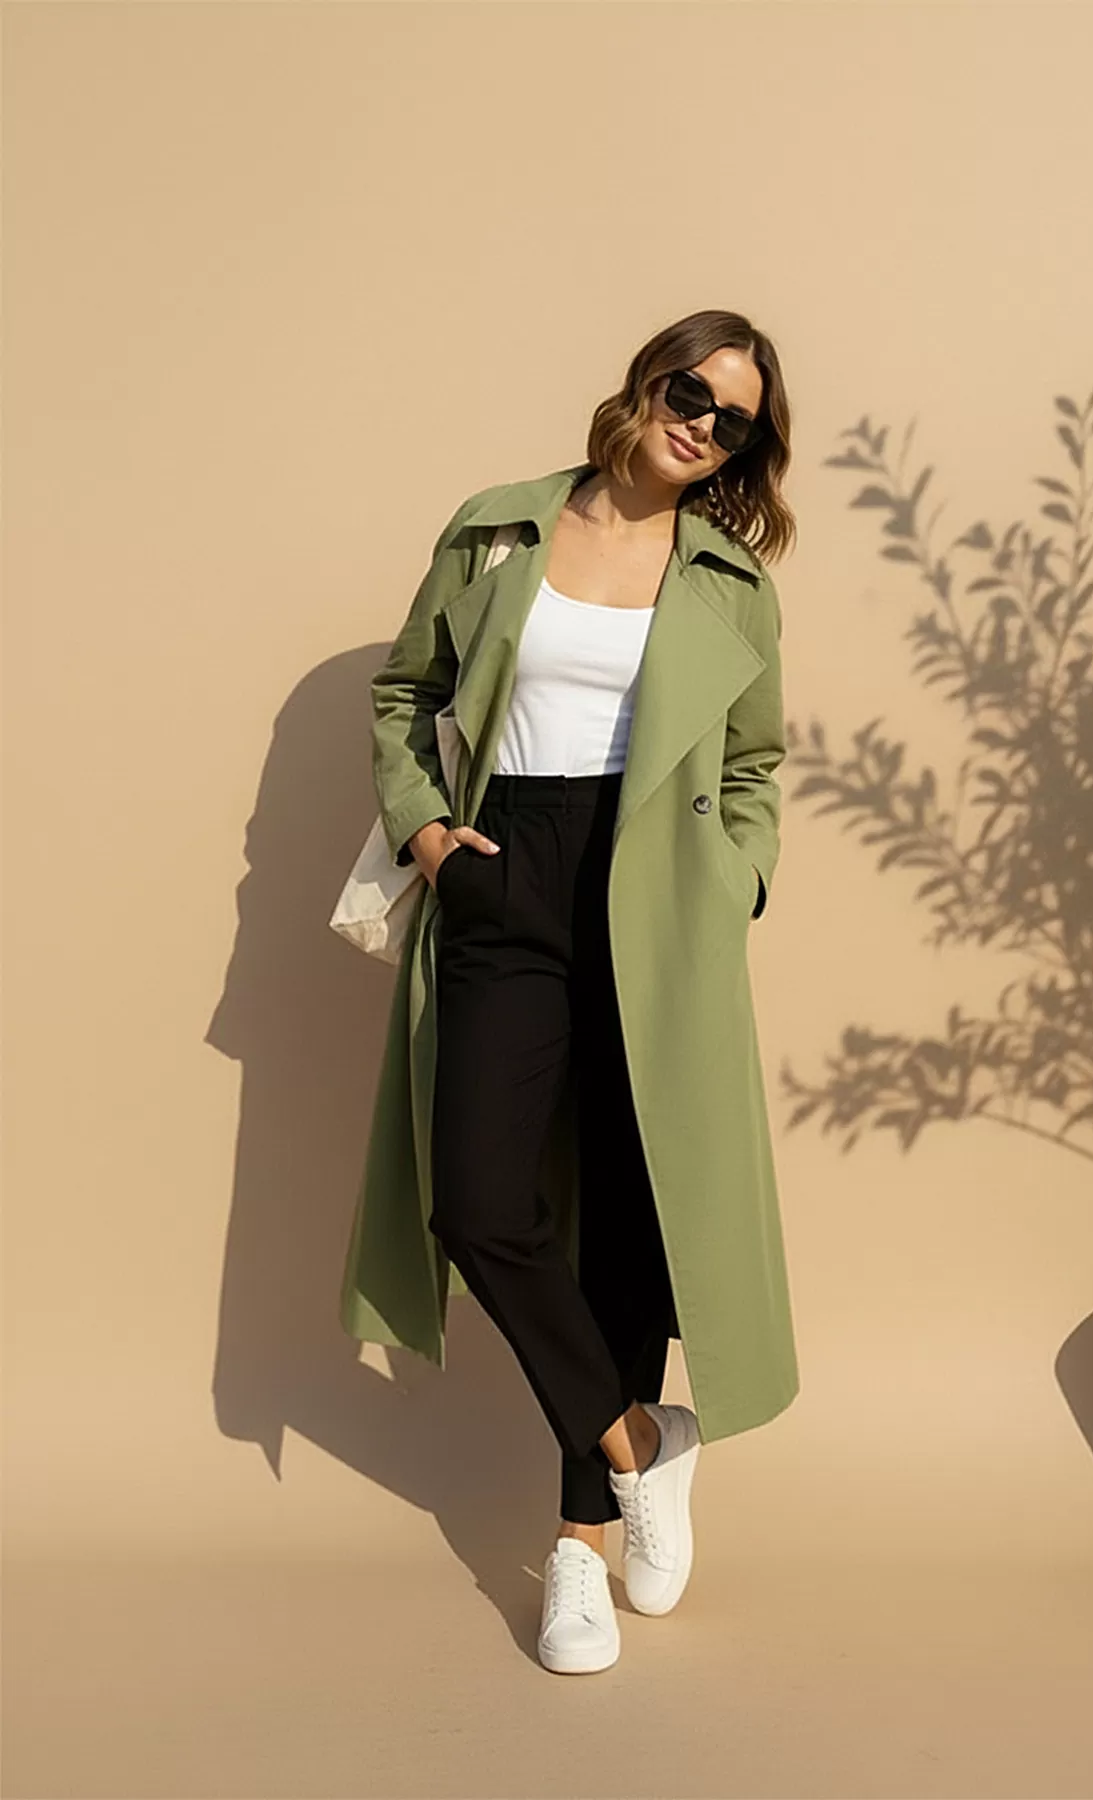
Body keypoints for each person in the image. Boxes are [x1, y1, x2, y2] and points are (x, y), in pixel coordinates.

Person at [344, 307, 798, 1674]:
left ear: (745, 449)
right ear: (647, 380)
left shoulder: (729, 581)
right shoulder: (499, 530)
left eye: (734, 421)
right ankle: (642, 1440)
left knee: (627, 1222)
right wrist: (429, 837)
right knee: (481, 1201)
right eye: (690, 392)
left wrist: (736, 883)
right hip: (506, 872)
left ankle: (577, 1552)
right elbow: (403, 694)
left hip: (659, 892)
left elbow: (755, 767)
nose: (703, 425)